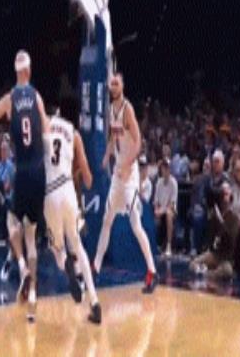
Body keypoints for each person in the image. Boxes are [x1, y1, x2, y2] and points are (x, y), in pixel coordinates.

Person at [0, 50, 48, 322]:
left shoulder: (9, 99)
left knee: (12, 222)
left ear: (16, 72)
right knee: (32, 235)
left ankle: (22, 266)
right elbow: (47, 131)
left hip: (22, 172)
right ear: (30, 70)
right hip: (39, 172)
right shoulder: (37, 97)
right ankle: (33, 298)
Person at [93, 73, 158, 293]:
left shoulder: (127, 109)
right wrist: (106, 155)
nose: (113, 86)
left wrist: (129, 163)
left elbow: (138, 141)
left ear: (122, 86)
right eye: (111, 83)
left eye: (116, 83)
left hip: (129, 174)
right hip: (117, 172)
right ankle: (95, 267)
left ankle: (152, 271)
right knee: (107, 219)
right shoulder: (111, 109)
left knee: (135, 225)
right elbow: (114, 137)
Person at [43, 97, 101, 324]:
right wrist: (77, 170)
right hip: (68, 190)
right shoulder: (74, 134)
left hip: (50, 191)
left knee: (56, 248)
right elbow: (88, 179)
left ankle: (66, 263)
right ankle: (94, 303)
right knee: (79, 246)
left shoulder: (44, 127)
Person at [189, 182, 238, 280]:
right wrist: (213, 219)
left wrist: (221, 222)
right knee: (193, 264)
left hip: (226, 257)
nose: (224, 197)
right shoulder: (214, 215)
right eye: (223, 194)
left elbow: (231, 240)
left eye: (226, 194)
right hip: (214, 254)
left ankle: (207, 274)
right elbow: (211, 237)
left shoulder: (233, 217)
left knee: (227, 271)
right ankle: (206, 271)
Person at [153, 158, 178, 257]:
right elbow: (156, 201)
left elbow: (172, 203)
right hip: (160, 209)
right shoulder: (158, 182)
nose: (165, 170)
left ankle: (169, 245)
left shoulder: (174, 183)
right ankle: (155, 244)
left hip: (171, 210)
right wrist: (156, 210)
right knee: (155, 215)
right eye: (164, 168)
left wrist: (162, 210)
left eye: (167, 168)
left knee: (168, 214)